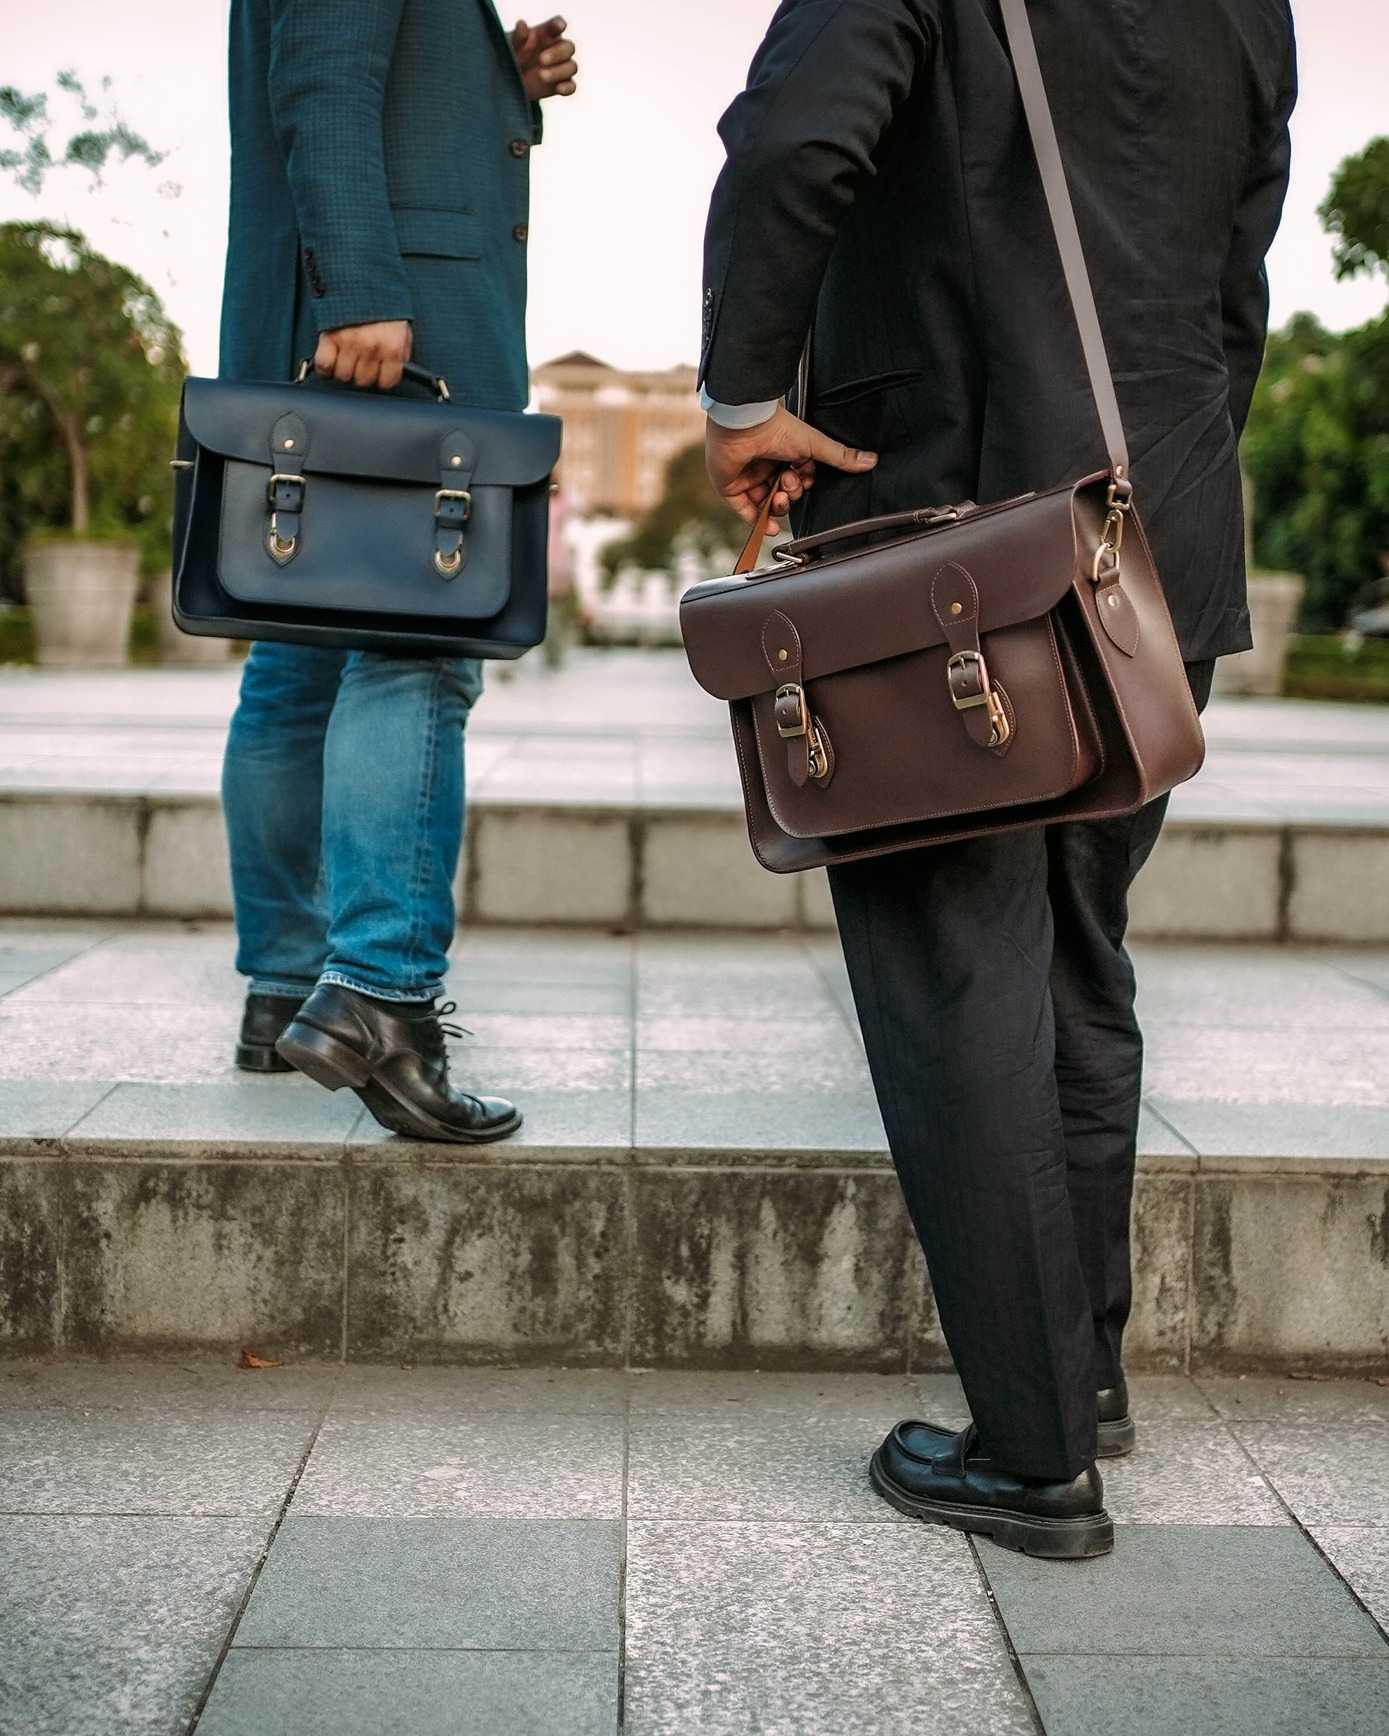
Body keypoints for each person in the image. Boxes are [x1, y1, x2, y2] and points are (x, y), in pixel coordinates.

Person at [701, 0, 1294, 1557]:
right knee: (1076, 949)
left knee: (956, 974)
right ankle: (1076, 1375)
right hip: (1152, 529)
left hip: (954, 532)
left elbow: (792, 140)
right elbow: (1236, 279)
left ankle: (1029, 1455)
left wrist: (741, 392)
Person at [218, 2, 578, 1142]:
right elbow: (321, 77)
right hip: (388, 324)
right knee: (422, 647)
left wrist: (494, 79)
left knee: (301, 651)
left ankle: (288, 984)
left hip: (326, 317)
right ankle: (380, 995)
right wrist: (362, 283)